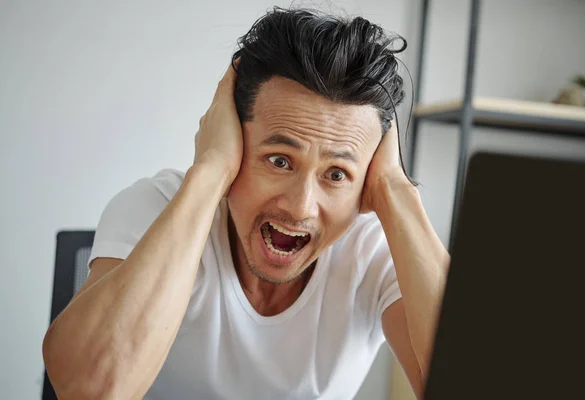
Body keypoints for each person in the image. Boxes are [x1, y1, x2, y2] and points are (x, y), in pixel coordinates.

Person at [43, 7, 449, 400]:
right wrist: (210, 170)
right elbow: (89, 391)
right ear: (234, 142)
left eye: (337, 174)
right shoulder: (157, 206)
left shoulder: (373, 247)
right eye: (279, 160)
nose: (300, 206)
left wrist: (398, 192)